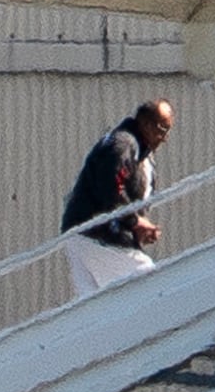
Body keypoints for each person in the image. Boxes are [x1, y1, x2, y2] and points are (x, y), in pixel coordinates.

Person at [62, 99, 173, 299]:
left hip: (81, 234)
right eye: (163, 129)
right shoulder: (122, 145)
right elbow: (110, 186)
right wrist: (135, 222)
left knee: (94, 307)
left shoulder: (141, 152)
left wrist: (137, 227)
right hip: (95, 234)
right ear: (146, 124)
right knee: (150, 285)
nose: (165, 138)